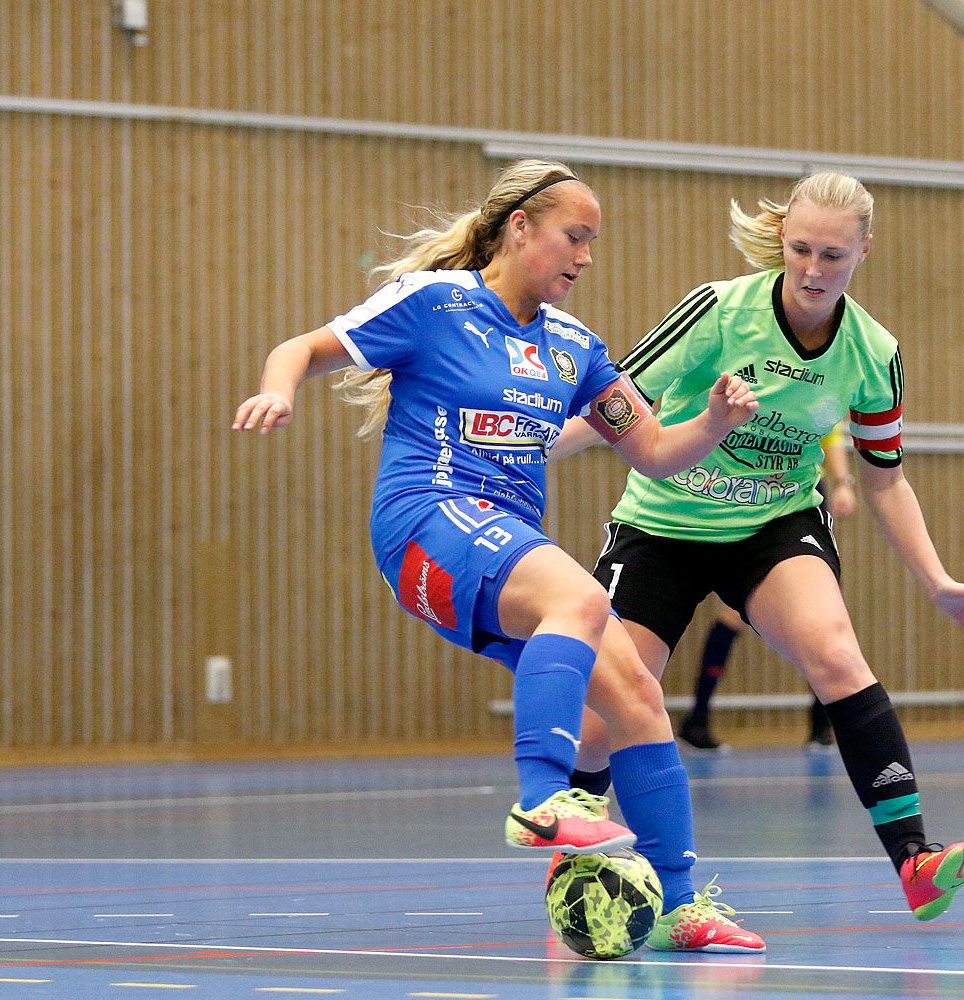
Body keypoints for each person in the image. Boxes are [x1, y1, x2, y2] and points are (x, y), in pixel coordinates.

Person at [232, 159, 765, 953]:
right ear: (521, 227)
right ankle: (544, 799)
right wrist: (280, 388)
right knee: (580, 601)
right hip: (425, 520)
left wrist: (717, 423)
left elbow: (652, 450)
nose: (585, 257)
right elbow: (303, 348)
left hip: (505, 539)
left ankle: (684, 907)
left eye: (593, 243)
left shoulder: (576, 348)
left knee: (638, 698)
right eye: (573, 237)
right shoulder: (436, 303)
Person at [554, 172, 964, 923]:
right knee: (605, 719)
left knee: (834, 653)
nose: (813, 270)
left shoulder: (871, 350)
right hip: (663, 524)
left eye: (833, 255)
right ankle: (577, 861)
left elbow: (885, 479)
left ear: (864, 250)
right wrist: (521, 450)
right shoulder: (720, 311)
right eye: (800, 250)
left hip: (774, 524)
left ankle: (915, 859)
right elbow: (614, 402)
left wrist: (937, 580)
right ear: (782, 241)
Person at [677, 428, 854, 752]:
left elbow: (831, 434)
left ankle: (822, 723)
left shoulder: (816, 395)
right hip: (753, 494)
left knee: (821, 610)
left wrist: (842, 482)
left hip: (801, 498)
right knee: (735, 611)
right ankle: (697, 718)